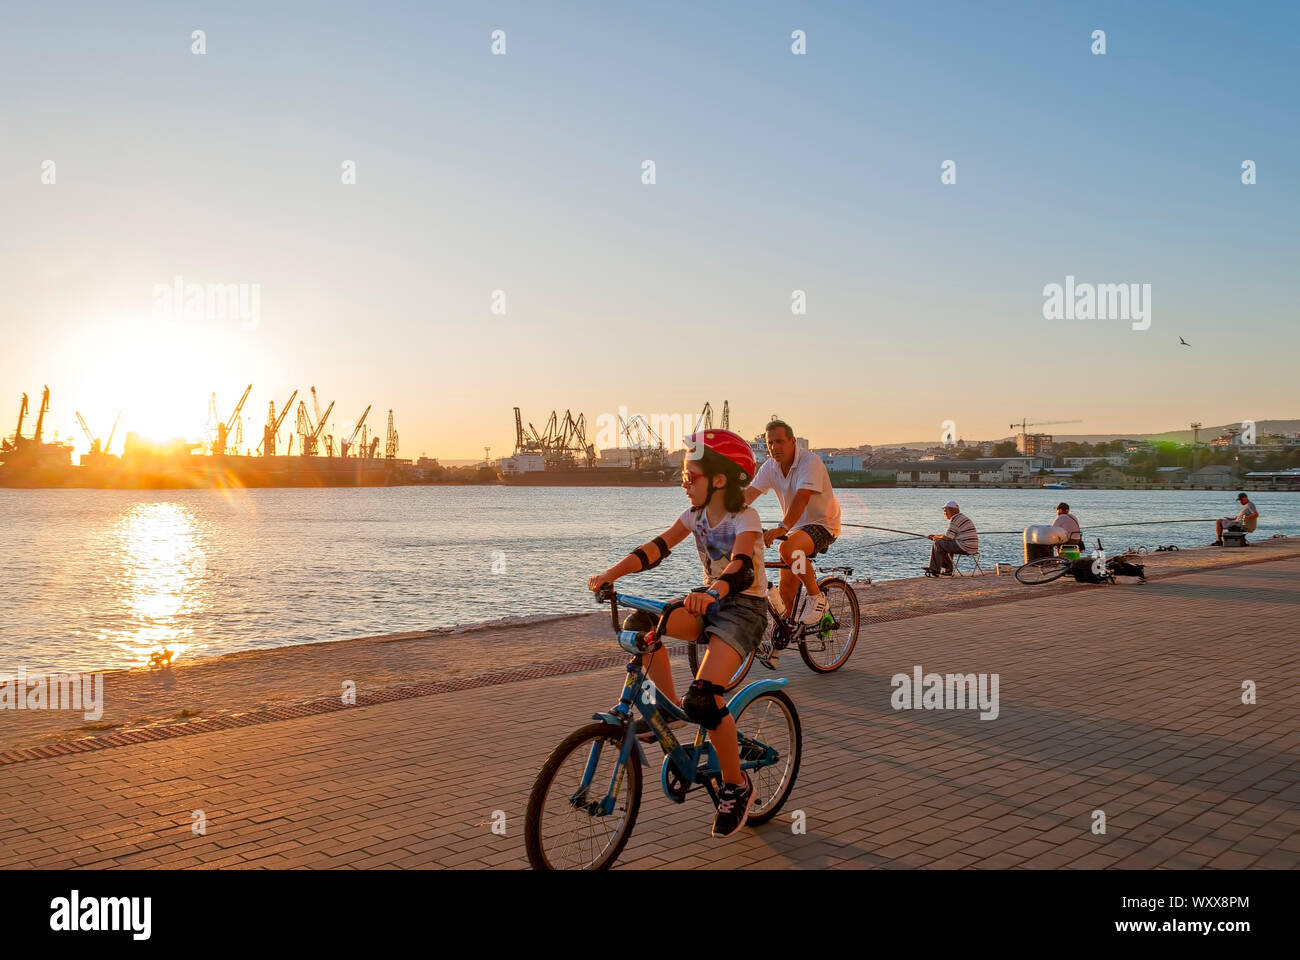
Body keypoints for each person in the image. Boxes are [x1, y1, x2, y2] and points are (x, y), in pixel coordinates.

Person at [588, 428, 765, 838]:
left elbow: (743, 566)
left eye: (691, 476)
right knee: (643, 624)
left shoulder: (746, 517)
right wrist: (609, 575)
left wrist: (716, 589)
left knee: (704, 697)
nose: (683, 483)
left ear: (719, 479)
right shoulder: (694, 516)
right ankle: (667, 709)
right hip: (708, 602)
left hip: (743, 609)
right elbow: (656, 548)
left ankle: (737, 786)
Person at [744, 419, 842, 632]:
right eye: (770, 443)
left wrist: (782, 527)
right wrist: (721, 514)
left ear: (793, 442)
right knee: (786, 589)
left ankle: (817, 598)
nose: (774, 447)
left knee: (789, 548)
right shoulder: (770, 466)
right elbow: (750, 494)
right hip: (796, 529)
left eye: (779, 442)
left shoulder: (810, 462)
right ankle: (780, 641)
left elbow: (802, 497)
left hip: (823, 524)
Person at [923, 500, 979, 576]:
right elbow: (950, 538)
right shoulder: (962, 517)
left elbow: (948, 537)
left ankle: (934, 569)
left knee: (938, 543)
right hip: (972, 547)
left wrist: (934, 537)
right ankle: (948, 570)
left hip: (965, 546)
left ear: (952, 510)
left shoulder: (955, 519)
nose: (944, 514)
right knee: (945, 544)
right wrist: (936, 537)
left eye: (945, 511)